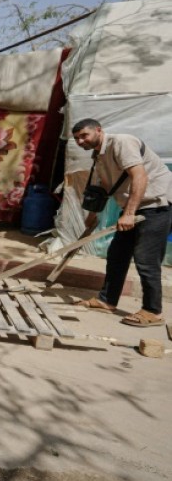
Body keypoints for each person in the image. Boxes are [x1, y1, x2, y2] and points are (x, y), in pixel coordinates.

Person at [72, 118, 172, 327]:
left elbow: (140, 177)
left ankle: (152, 311)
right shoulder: (98, 156)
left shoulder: (122, 143)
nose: (80, 141)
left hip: (156, 204)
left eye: (84, 135)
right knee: (117, 254)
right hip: (134, 208)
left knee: (146, 259)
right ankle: (107, 300)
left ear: (99, 130)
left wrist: (129, 213)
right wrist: (93, 214)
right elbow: (102, 188)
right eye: (77, 138)